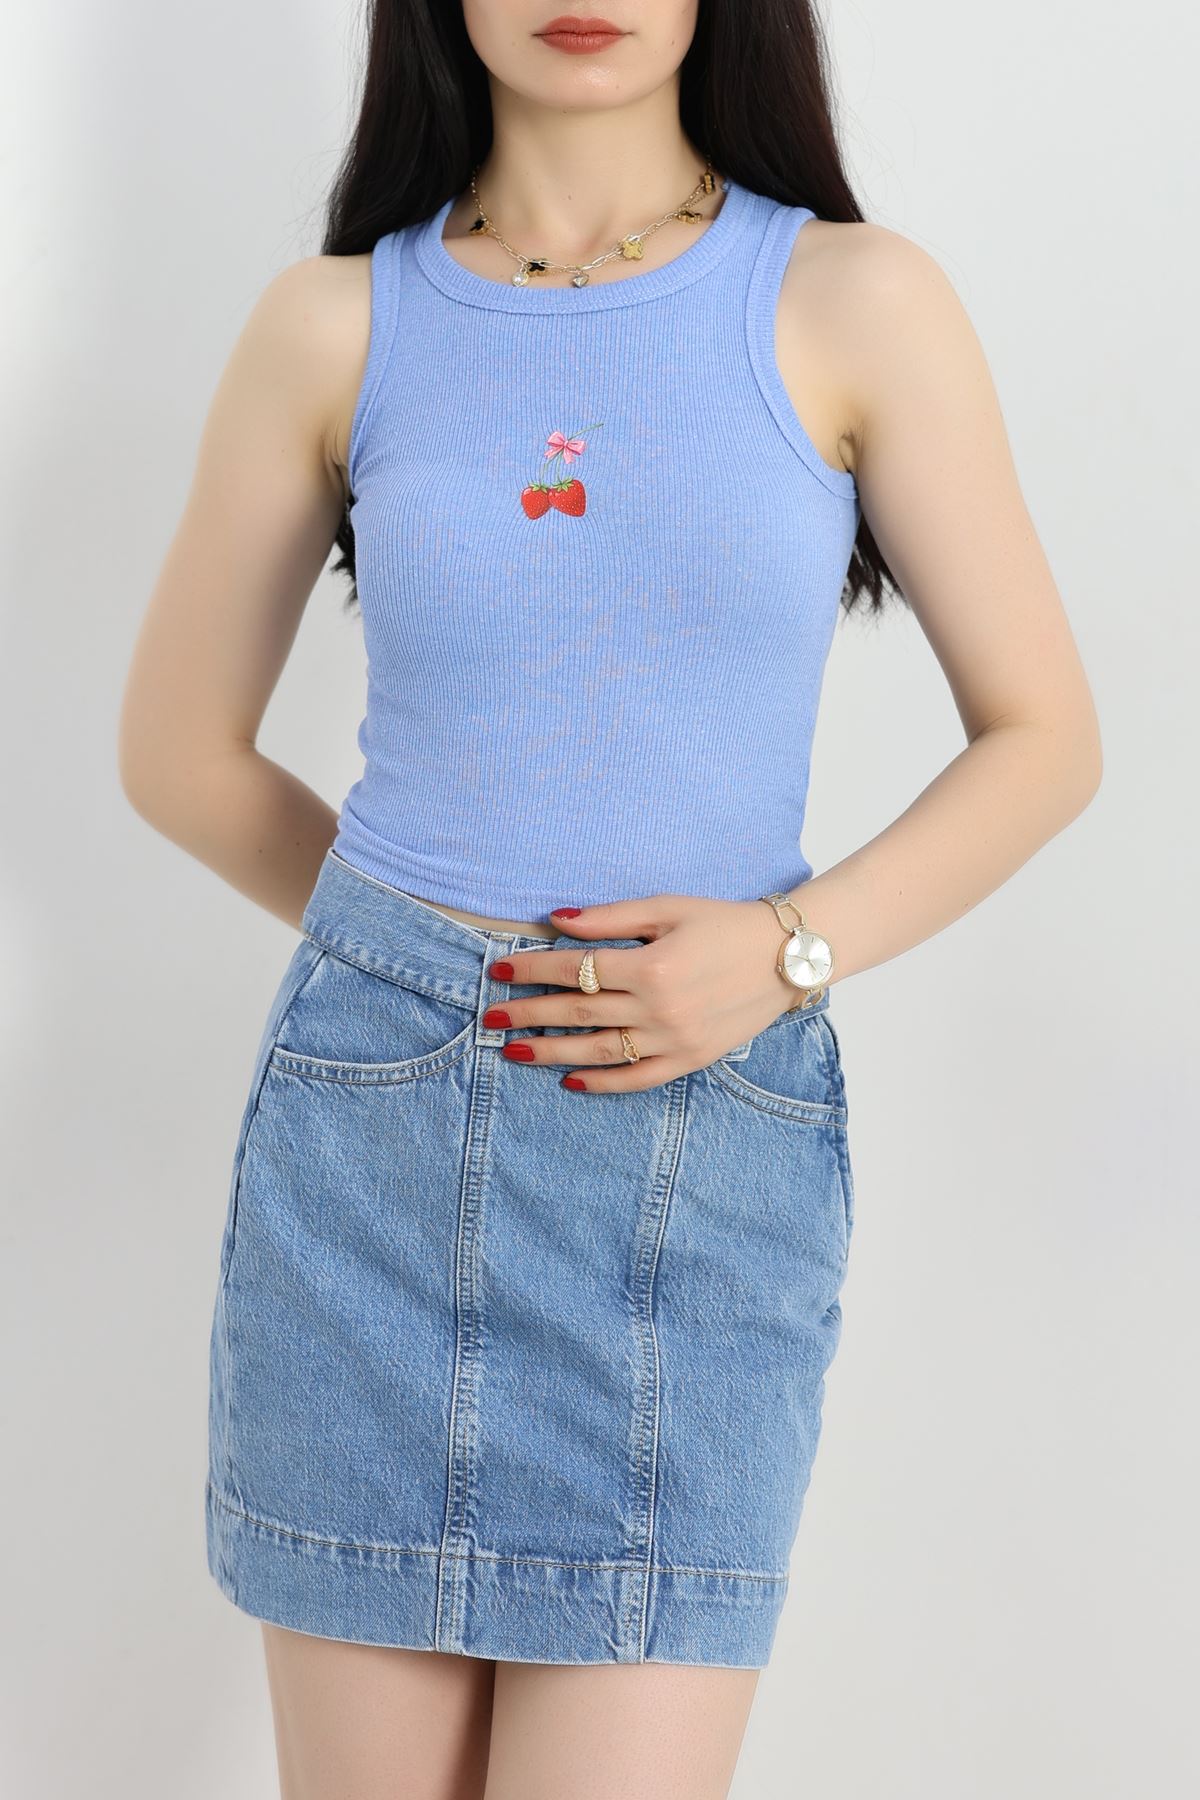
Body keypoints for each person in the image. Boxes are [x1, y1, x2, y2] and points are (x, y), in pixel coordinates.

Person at [116, 3, 1103, 1795]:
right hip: (367, 1178)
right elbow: (177, 756)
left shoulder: (853, 300)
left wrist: (789, 954)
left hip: (700, 1157)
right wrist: (420, 963)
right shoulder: (333, 325)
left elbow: (1045, 739)